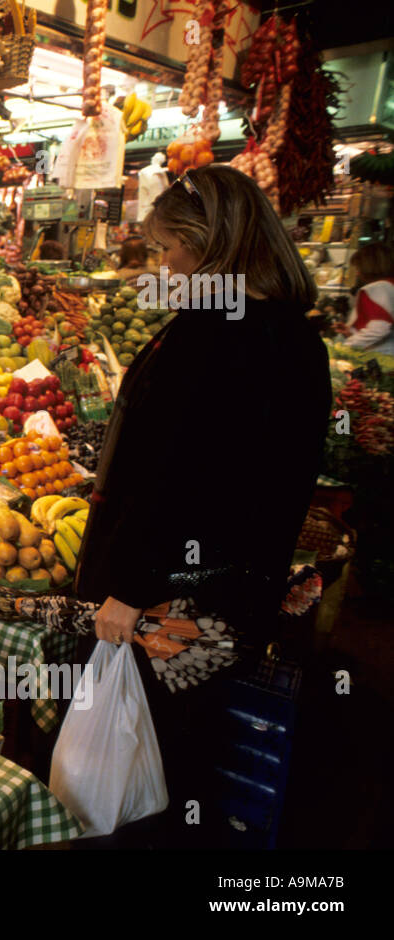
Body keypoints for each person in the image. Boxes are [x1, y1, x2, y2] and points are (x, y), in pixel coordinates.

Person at [72, 165, 332, 847]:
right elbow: (287, 474)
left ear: (208, 243)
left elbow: (174, 476)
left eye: (166, 249)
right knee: (184, 744)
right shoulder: (297, 335)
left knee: (143, 746)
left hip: (173, 591)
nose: (162, 264)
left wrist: (127, 589)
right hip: (239, 586)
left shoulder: (211, 335)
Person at [336, 243, 394, 355]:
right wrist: (351, 331)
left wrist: (346, 345)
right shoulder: (390, 285)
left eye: (358, 268)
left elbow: (379, 328)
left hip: (381, 354)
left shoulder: (375, 289)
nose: (357, 273)